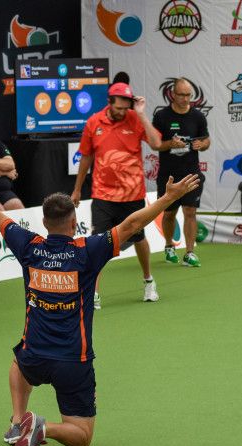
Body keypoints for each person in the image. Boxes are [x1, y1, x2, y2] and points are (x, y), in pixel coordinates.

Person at [0, 168, 199, 446]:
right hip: (73, 361)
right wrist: (168, 198)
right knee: (82, 437)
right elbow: (132, 223)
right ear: (74, 222)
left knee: (19, 359)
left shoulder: (29, 246)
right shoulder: (88, 250)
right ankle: (43, 428)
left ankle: (18, 421)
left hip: (34, 355)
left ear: (44, 223)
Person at [71, 82, 163, 308]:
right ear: (109, 102)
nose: (123, 112)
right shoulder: (94, 122)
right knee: (96, 244)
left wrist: (141, 114)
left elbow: (156, 143)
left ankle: (148, 281)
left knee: (139, 238)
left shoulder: (134, 118)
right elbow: (85, 157)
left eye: (126, 108)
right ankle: (93, 292)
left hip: (132, 195)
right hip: (102, 195)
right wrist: (76, 188)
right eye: (119, 108)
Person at [152, 78, 209, 267]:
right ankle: (169, 246)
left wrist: (202, 144)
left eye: (188, 95)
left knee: (190, 211)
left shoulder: (198, 117)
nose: (185, 99)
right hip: (168, 174)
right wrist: (170, 144)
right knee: (169, 213)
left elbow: (206, 140)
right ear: (173, 95)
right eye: (182, 95)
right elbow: (156, 144)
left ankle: (190, 252)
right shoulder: (161, 116)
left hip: (191, 172)